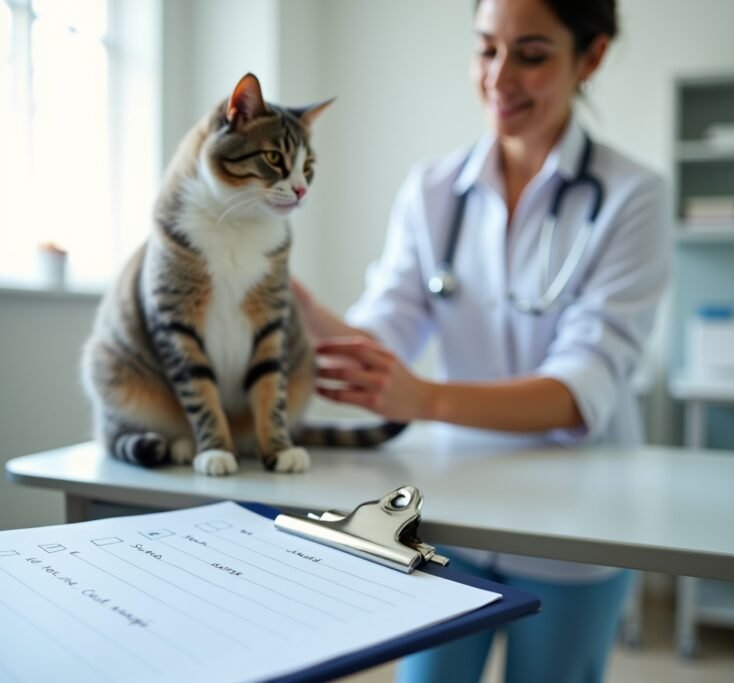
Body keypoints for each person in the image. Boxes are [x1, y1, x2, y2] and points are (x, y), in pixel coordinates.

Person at [294, 0, 671, 680]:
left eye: (530, 54)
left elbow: (580, 387)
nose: (499, 77)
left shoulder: (631, 196)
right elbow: (385, 335)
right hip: (451, 519)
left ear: (592, 57)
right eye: (485, 49)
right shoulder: (434, 189)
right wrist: (295, 303)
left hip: (575, 532)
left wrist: (424, 397)